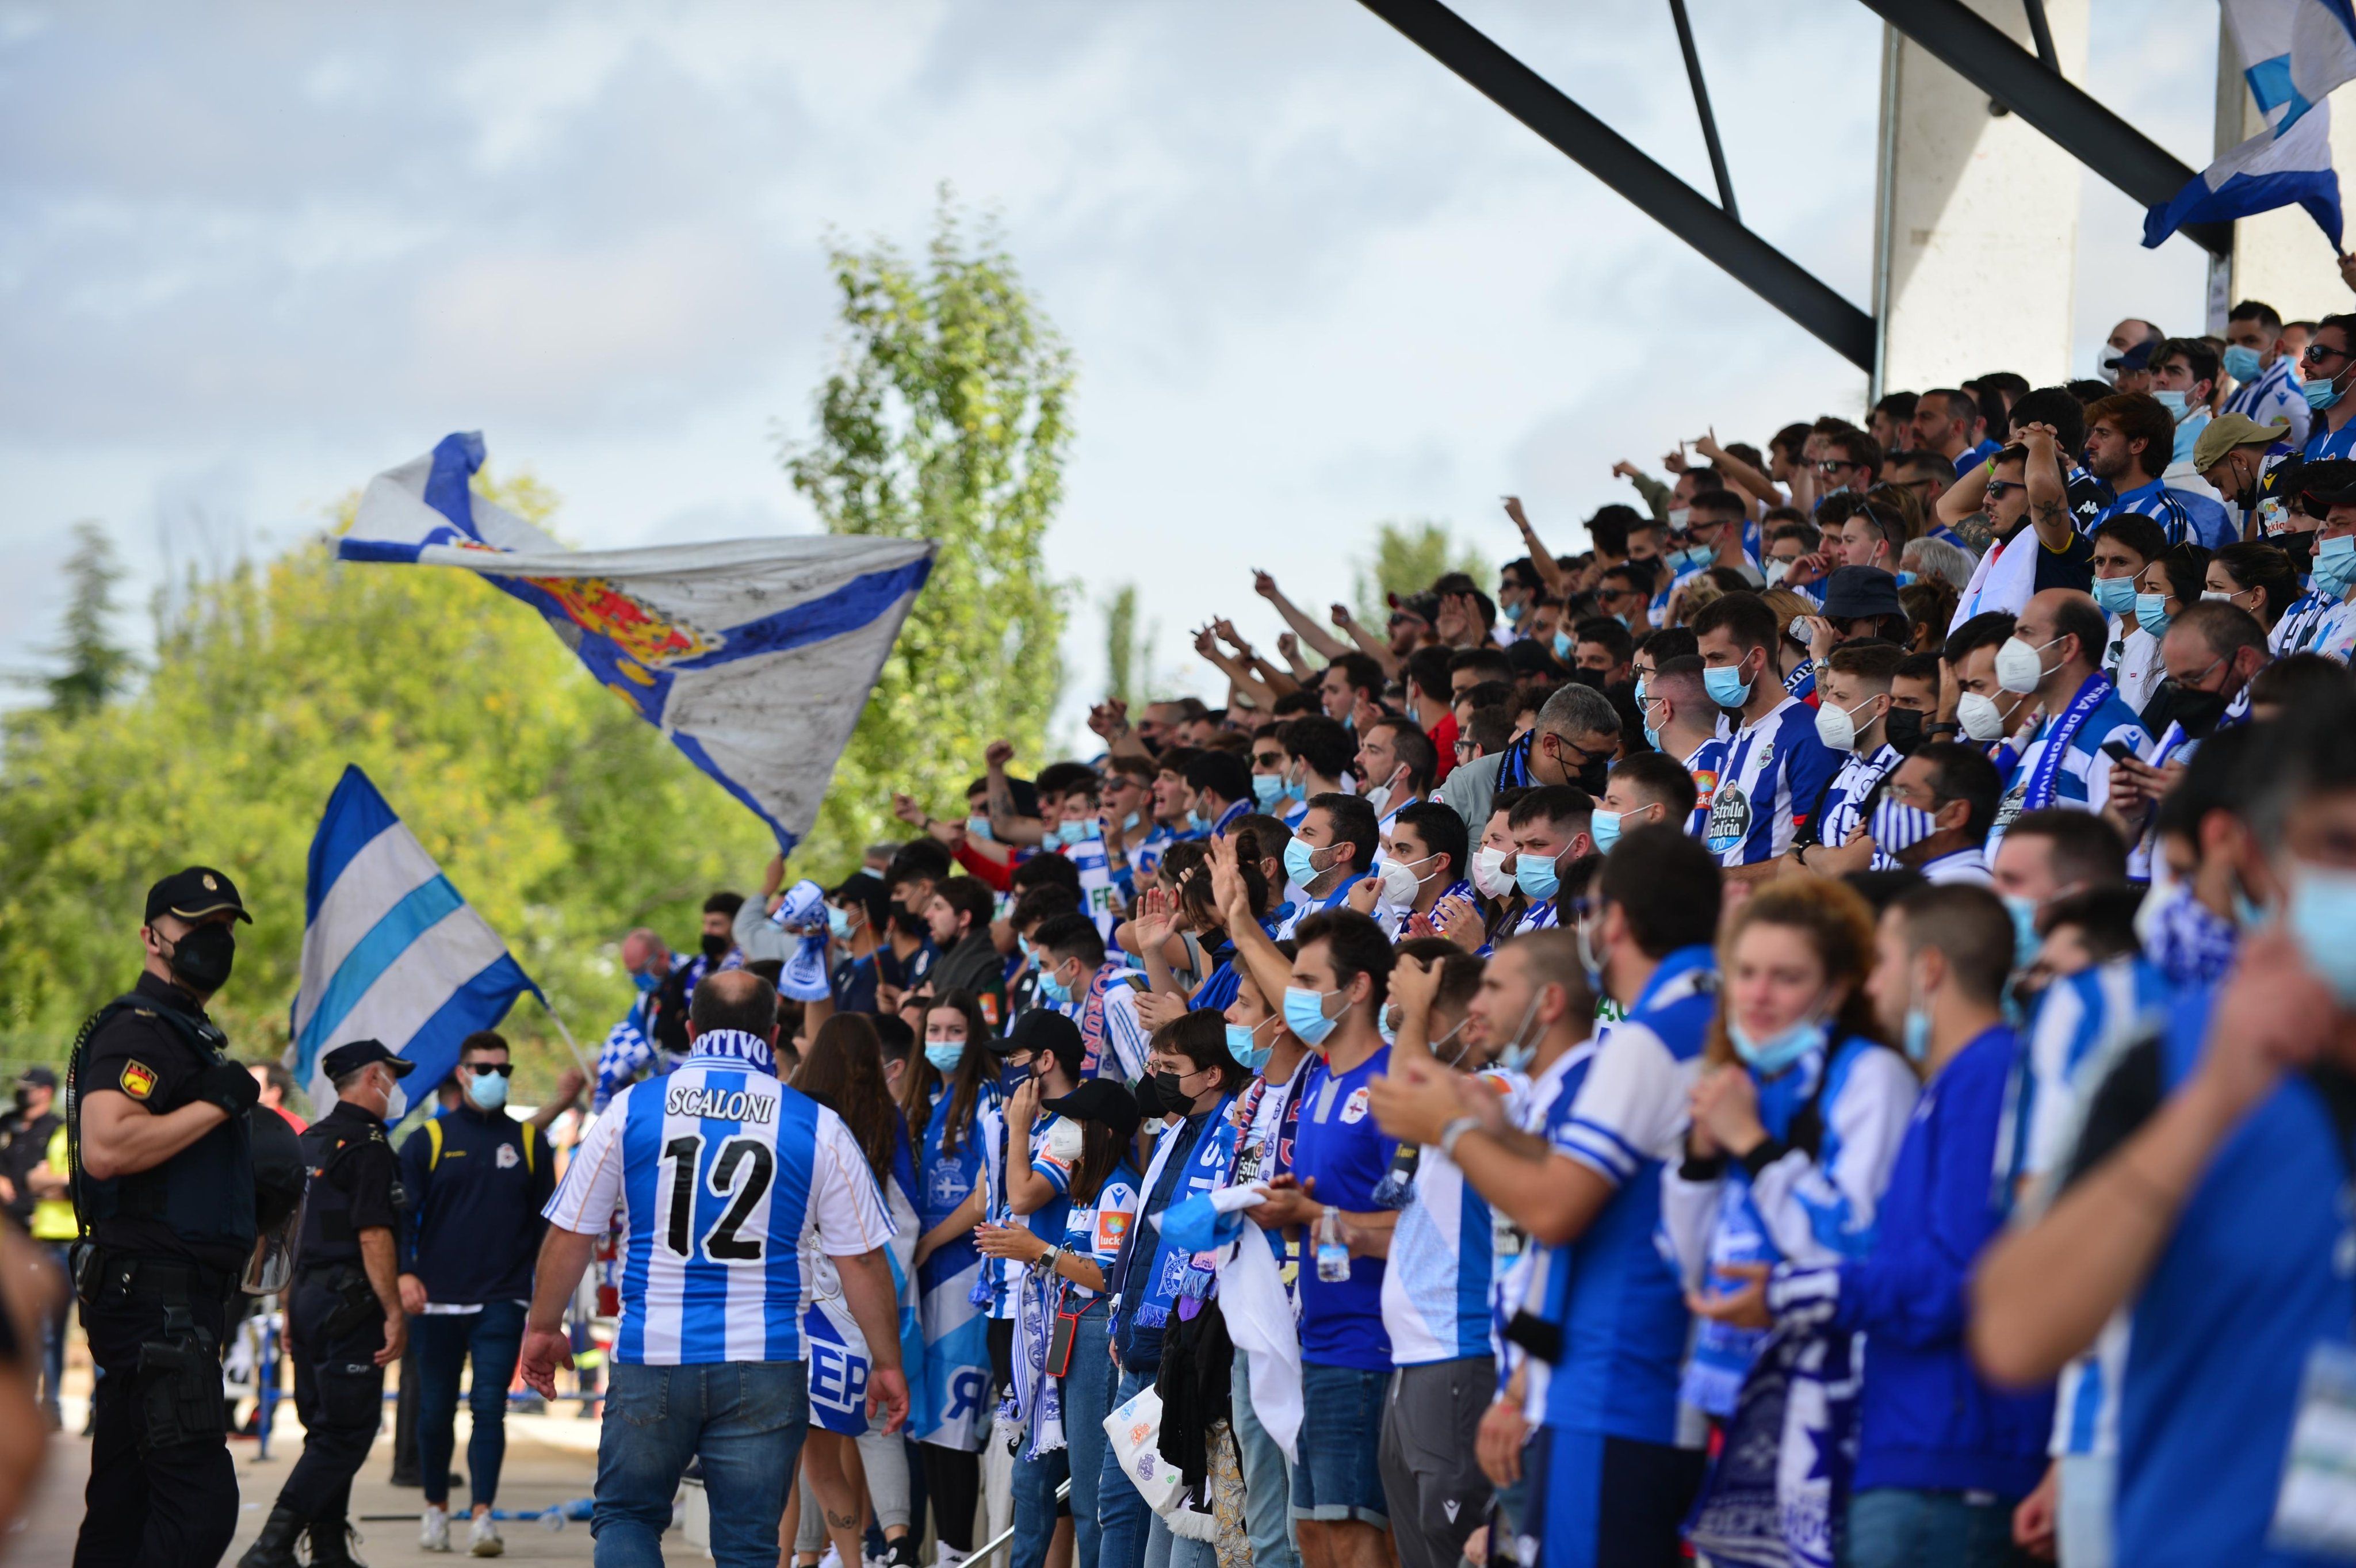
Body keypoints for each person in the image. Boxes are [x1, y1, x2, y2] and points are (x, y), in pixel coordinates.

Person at [1696, 885, 2051, 1567]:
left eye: (1882, 961)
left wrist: (1784, 1293)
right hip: (1910, 1441)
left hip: (1948, 1451)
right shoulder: (1955, 1080)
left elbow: (1958, 1277)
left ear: (1929, 969)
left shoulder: (1984, 1072)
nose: (1872, 982)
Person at [520, 969, 909, 1568]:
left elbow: (573, 1232)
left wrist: (544, 1326)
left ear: (691, 1029)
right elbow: (859, 1257)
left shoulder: (632, 1109)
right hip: (766, 1358)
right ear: (773, 1033)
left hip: (653, 1351)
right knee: (748, 1544)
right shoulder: (815, 1123)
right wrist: (886, 1361)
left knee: (627, 1517)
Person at [1665, 878, 1917, 1566]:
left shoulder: (1874, 1077)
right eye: (1745, 972)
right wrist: (1699, 1158)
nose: (1757, 995)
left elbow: (1851, 1247)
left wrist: (1752, 1144)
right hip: (1731, 1391)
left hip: (1834, 1402)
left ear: (1837, 987)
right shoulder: (1739, 1081)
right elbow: (1690, 1265)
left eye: (1786, 976)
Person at [70, 866, 273, 1568]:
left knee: (124, 1507)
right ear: (152, 936)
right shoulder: (143, 1029)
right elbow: (106, 1147)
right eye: (197, 925)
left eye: (224, 927)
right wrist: (217, 1103)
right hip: (157, 1305)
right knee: (199, 1508)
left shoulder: (185, 1033)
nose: (214, 939)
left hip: (163, 1301)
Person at [1248, 912, 1399, 1568]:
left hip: (1369, 1343)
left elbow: (1425, 1228)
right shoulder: (1322, 1078)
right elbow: (1329, 1207)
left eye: (1308, 982)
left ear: (1358, 987)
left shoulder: (1392, 1085)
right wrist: (1289, 1211)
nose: (1296, 996)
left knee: (1354, 1536)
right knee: (1312, 1535)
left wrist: (1310, 1213)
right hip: (1313, 1339)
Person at [239, 1040, 414, 1568]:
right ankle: (271, 1548)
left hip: (309, 1297)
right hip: (351, 1302)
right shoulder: (369, 1148)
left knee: (324, 1430)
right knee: (346, 1433)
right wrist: (394, 1312)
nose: (396, 1088)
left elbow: (287, 1237)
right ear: (375, 1078)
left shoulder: (309, 1142)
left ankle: (330, 1549)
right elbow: (374, 1236)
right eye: (393, 1077)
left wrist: (290, 1309)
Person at [397, 1030, 556, 1556]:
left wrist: (544, 1301)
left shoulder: (531, 1143)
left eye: (503, 1070)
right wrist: (405, 1274)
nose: (494, 1078)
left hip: (502, 1298)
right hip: (436, 1300)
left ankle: (483, 1517)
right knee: (435, 1410)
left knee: (490, 1406)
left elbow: (547, 1230)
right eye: (484, 1069)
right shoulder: (428, 1140)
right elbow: (401, 1218)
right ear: (462, 1073)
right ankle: (435, 1510)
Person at [981, 1076, 1142, 1568]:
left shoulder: (1119, 1188)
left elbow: (1108, 1275)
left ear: (1104, 1131)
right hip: (1064, 1326)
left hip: (1093, 1332)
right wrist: (1032, 1254)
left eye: (1074, 1121)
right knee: (1030, 1477)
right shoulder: (1085, 1189)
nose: (1061, 1131)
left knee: (1090, 1490)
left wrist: (1039, 1251)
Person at [1986, 590, 2149, 856]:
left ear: (2068, 647)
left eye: (2026, 633)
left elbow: (2118, 856)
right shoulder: (2033, 734)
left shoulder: (2115, 735)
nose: (2012, 646)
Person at [1692, 593, 1841, 878]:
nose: (1707, 672)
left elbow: (1813, 854)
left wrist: (1724, 879)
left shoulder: (1806, 734)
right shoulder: (1735, 741)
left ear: (1757, 657)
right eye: (1704, 660)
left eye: (1717, 658)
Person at [1436, 682, 1619, 844]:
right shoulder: (1471, 783)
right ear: (1550, 745)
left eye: (1610, 756)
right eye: (1593, 758)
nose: (1603, 767)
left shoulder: (1615, 790)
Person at [0, 1066, 65, 1424]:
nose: (22, 1094)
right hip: (8, 1236)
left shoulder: (57, 1129)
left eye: (29, 1088)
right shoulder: (7, 1124)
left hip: (41, 1235)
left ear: (46, 1092)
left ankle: (47, 1406)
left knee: (46, 1330)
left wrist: (41, 1183)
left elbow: (60, 1179)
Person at [1871, 741, 2002, 885]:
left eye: (1904, 792)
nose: (1889, 802)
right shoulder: (1932, 884)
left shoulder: (1960, 890)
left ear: (1956, 814)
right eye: (1891, 791)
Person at [2220, 297, 2311, 447]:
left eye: (2250, 341)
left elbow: (2280, 461)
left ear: (2277, 347)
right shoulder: (2245, 391)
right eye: (2231, 343)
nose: (2237, 350)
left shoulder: (2283, 401)